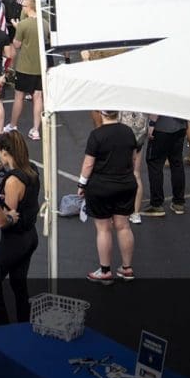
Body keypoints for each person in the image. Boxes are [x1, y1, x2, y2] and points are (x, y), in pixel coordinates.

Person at [78, 110, 138, 283]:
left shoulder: (96, 135)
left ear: (101, 113)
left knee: (103, 228)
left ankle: (105, 270)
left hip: (101, 186)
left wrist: (82, 184)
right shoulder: (128, 131)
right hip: (126, 183)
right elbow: (133, 158)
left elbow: (88, 164)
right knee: (123, 226)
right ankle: (127, 268)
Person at [0, 129, 40, 323]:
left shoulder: (12, 182)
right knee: (18, 284)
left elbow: (7, 216)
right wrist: (0, 171)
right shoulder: (32, 169)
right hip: (30, 236)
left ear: (6, 152)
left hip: (14, 241)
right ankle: (24, 322)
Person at [5, 0, 43, 140]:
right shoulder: (44, 24)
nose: (23, 9)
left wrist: (17, 27)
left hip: (25, 67)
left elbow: (16, 44)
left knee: (19, 96)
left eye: (24, 6)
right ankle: (36, 129)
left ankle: (13, 125)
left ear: (30, 7)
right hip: (39, 66)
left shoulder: (23, 25)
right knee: (38, 97)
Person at [142, 111, 187, 218]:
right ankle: (179, 202)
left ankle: (156, 204)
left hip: (162, 127)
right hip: (180, 125)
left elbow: (157, 105)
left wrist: (152, 123)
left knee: (155, 164)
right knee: (177, 163)